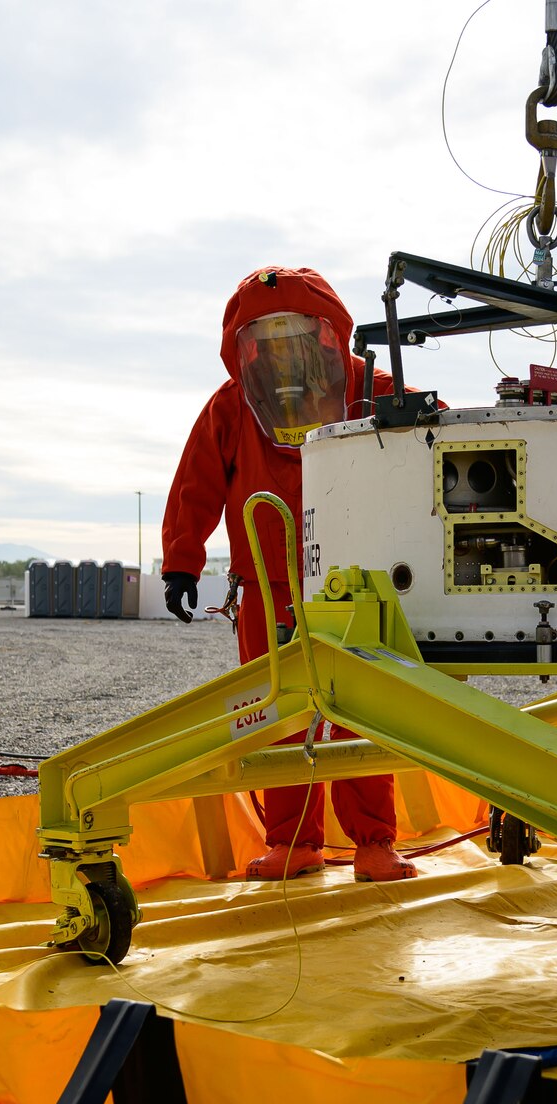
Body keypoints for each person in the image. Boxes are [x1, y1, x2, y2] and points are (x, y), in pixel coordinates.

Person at [160, 265, 418, 883]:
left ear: (326, 334)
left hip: (358, 586)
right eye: (265, 342)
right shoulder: (229, 406)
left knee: (361, 712)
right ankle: (293, 843)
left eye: (292, 337)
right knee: (274, 714)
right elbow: (194, 484)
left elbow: (434, 451)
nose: (280, 355)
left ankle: (373, 844)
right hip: (265, 589)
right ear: (245, 348)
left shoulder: (376, 391)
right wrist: (179, 562)